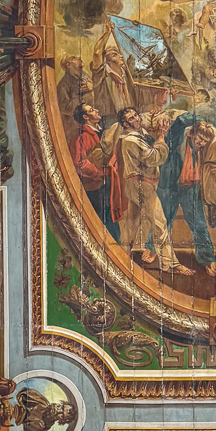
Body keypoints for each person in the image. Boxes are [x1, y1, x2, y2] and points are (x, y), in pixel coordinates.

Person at [112, 108, 193, 276]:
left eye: (136, 115)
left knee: (135, 221)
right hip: (141, 185)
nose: (136, 119)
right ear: (125, 124)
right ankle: (170, 264)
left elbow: (148, 128)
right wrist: (161, 137)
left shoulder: (139, 133)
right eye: (131, 118)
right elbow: (155, 157)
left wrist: (156, 121)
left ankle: (126, 254)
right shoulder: (130, 140)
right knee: (160, 223)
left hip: (138, 184)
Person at [155, 116, 216, 276]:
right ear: (192, 133)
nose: (201, 143)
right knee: (163, 220)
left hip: (191, 188)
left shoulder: (208, 145)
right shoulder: (179, 136)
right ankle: (152, 249)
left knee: (199, 224)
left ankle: (207, 258)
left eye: (204, 141)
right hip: (171, 185)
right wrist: (202, 119)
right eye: (199, 139)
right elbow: (181, 119)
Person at [69, 103, 119, 240]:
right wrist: (99, 173)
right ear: (86, 117)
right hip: (94, 187)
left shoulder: (103, 131)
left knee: (112, 219)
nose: (96, 110)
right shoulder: (81, 137)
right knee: (99, 223)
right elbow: (79, 163)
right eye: (91, 110)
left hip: (108, 181)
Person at [91, 18, 135, 118]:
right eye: (114, 54)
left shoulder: (126, 74)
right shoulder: (102, 74)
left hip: (129, 117)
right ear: (106, 60)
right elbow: (97, 53)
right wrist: (108, 32)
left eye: (119, 54)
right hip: (110, 118)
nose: (120, 56)